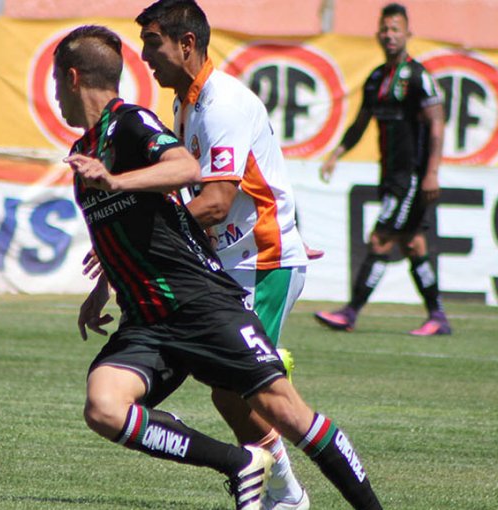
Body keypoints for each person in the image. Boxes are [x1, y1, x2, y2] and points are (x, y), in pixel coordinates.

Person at [58, 25, 382, 510]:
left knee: (283, 412)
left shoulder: (129, 123)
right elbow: (141, 226)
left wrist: (116, 179)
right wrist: (103, 283)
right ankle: (239, 463)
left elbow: (187, 167)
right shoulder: (86, 152)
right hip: (148, 321)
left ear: (72, 77)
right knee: (104, 407)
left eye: (55, 82)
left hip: (201, 304)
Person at [134, 1, 310, 507]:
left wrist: (149, 239)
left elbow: (214, 202)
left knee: (235, 388)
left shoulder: (222, 103)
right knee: (225, 385)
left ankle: (284, 492)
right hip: (232, 263)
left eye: (152, 43)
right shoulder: (186, 103)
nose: (145, 57)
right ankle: (279, 485)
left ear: (186, 44)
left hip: (264, 263)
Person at [314, 2, 451, 336]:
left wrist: (432, 171)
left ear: (408, 34)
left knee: (380, 239)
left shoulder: (419, 76)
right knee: (413, 244)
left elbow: (437, 124)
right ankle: (438, 317)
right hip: (390, 175)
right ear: (378, 34)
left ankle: (350, 312)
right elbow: (361, 122)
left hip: (412, 176)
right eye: (385, 29)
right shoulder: (376, 78)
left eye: (396, 29)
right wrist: (337, 152)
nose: (390, 35)